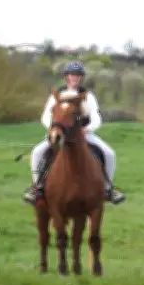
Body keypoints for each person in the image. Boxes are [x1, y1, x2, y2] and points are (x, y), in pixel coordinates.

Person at [22, 61, 126, 206]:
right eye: (72, 75)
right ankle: (36, 188)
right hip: (60, 133)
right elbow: (46, 116)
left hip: (82, 134)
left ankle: (107, 189)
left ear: (81, 78)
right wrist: (53, 129)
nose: (74, 78)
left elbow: (96, 117)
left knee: (109, 154)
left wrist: (87, 129)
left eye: (77, 75)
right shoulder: (57, 95)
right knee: (37, 152)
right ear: (66, 76)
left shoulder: (88, 96)